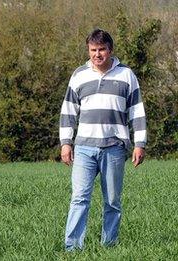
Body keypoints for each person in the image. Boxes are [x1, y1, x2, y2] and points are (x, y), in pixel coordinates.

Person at [59, 29, 146, 251]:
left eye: (102, 49)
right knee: (79, 198)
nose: (97, 54)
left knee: (112, 202)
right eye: (93, 50)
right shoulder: (79, 75)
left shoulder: (126, 75)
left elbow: (137, 111)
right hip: (84, 147)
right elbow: (68, 111)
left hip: (114, 147)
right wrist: (66, 142)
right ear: (88, 50)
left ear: (110, 50)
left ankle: (109, 246)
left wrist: (139, 144)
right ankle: (73, 249)